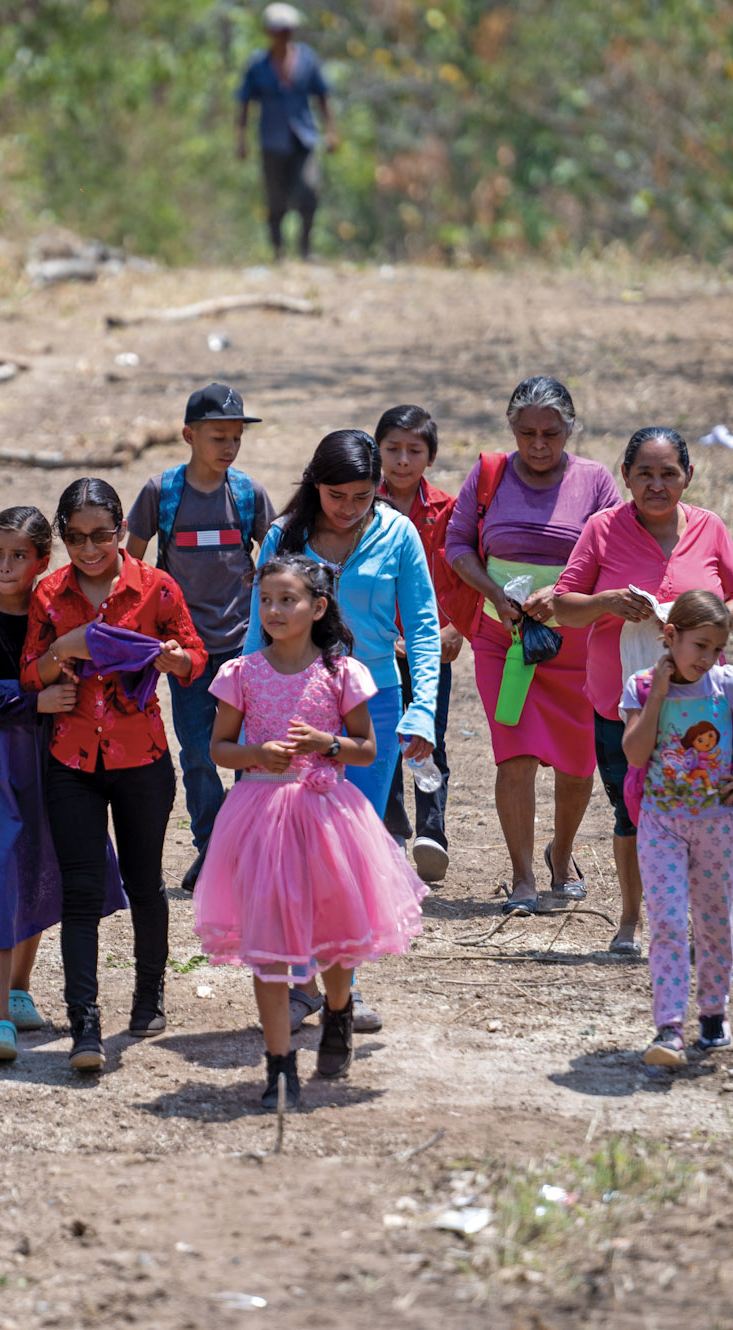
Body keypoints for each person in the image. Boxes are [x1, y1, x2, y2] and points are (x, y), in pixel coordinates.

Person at [194, 555, 427, 1110]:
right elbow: (219, 748)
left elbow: (367, 748)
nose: (274, 610)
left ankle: (338, 1008)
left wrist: (324, 746)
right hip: (259, 815)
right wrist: (257, 753)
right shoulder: (241, 673)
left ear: (317, 607)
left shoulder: (341, 673)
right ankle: (279, 1067)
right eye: (266, 600)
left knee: (333, 927)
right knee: (267, 945)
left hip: (326, 817)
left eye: (287, 600)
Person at [247, 429, 439, 1034]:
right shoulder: (284, 536)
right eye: (337, 495)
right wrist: (249, 714)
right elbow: (260, 628)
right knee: (294, 848)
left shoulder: (398, 533)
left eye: (363, 496)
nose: (350, 508)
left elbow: (426, 627)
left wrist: (423, 708)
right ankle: (301, 982)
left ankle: (339, 993)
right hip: (291, 703)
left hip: (372, 706)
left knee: (347, 850)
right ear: (315, 484)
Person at [21, 478, 206, 1072]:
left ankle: (148, 999)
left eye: (102, 534)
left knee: (145, 881)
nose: (90, 548)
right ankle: (85, 1024)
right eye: (75, 537)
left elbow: (195, 657)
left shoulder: (155, 586)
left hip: (142, 758)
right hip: (71, 759)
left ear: (124, 531)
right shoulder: (49, 591)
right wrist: (65, 649)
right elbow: (30, 673)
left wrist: (175, 659)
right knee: (80, 892)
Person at [551, 426, 733, 955]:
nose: (657, 485)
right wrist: (608, 602)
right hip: (620, 701)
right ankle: (630, 921)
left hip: (699, 705)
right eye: (644, 473)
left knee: (696, 811)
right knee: (632, 809)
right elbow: (563, 603)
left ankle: (691, 917)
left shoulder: (710, 529)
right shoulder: (602, 529)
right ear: (626, 477)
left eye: (669, 473)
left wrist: (703, 627)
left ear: (689, 477)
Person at [0, 507, 126, 1062]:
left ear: (43, 561)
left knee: (41, 869)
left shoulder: (55, 611)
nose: (5, 564)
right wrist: (28, 699)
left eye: (19, 555)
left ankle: (20, 991)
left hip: (50, 759)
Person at [443, 378, 620, 916]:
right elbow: (457, 545)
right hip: (506, 641)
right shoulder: (490, 475)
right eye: (526, 433)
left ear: (571, 428)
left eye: (551, 433)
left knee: (575, 765)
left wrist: (564, 592)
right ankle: (522, 878)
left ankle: (560, 857)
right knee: (514, 755)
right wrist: (495, 594)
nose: (539, 444)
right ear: (511, 429)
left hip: (575, 647)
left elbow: (617, 549)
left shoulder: (594, 481)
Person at [620, 591, 733, 1066]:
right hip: (660, 825)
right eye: (700, 646)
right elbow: (634, 753)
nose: (708, 658)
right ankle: (669, 1027)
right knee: (668, 924)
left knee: (714, 921)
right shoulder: (641, 685)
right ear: (670, 637)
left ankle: (713, 1012)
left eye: (716, 648)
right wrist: (660, 697)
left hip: (716, 823)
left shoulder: (726, 682)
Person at [124, 382, 274, 891]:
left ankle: (247, 844)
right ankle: (213, 846)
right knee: (197, 752)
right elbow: (131, 565)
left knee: (249, 748)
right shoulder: (161, 494)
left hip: (242, 645)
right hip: (184, 650)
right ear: (189, 435)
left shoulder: (249, 495)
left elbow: (276, 557)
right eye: (217, 436)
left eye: (235, 437)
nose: (228, 446)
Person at [374, 405, 465, 885]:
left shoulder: (448, 511)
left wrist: (456, 630)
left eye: (414, 450)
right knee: (382, 736)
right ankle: (392, 830)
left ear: (430, 456)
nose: (403, 460)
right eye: (393, 449)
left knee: (429, 734)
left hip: (432, 646)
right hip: (376, 647)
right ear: (377, 452)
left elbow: (464, 577)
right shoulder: (362, 506)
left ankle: (433, 833)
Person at [235, 2, 336, 260]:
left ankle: (305, 249)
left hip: (303, 137)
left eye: (287, 30)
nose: (283, 35)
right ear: (268, 32)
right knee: (275, 198)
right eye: (278, 30)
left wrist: (330, 131)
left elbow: (322, 96)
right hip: (272, 140)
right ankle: (278, 251)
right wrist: (241, 139)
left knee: (309, 190)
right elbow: (244, 102)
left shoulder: (307, 60)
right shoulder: (257, 65)